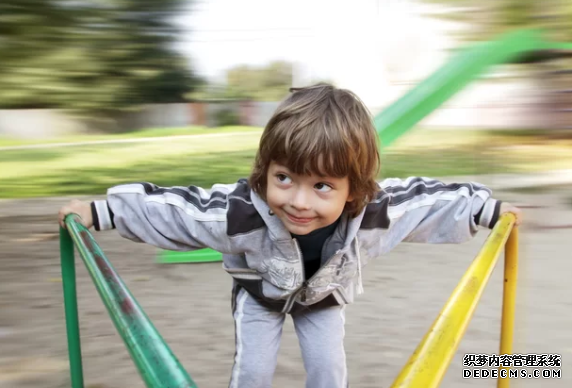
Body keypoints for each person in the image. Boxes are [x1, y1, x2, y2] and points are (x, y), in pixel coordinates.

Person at [58, 84, 522, 388]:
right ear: (266, 172)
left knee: (329, 371)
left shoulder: (373, 212)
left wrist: (486, 209)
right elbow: (177, 210)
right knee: (254, 372)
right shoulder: (240, 213)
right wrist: (100, 211)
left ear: (352, 190)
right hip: (259, 296)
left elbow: (427, 200)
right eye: (285, 178)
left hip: (322, 297)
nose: (299, 201)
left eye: (322, 186)